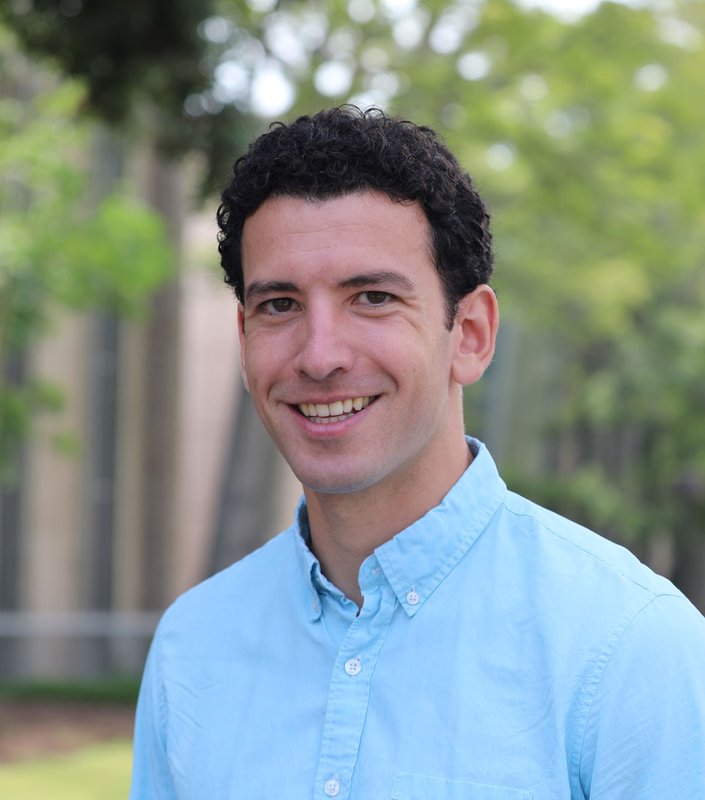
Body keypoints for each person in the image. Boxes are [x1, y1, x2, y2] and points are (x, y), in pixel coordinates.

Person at [130, 106, 705, 799]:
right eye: (279, 305)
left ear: (469, 334)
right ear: (244, 338)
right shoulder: (192, 646)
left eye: (371, 297)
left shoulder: (629, 648)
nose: (319, 356)